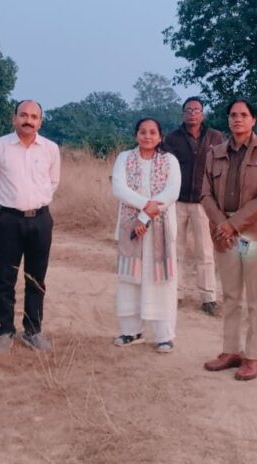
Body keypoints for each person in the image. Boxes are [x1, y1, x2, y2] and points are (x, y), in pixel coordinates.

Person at [200, 99, 257, 381]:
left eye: (243, 115)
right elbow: (205, 193)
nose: (238, 119)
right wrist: (222, 225)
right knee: (231, 295)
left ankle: (254, 356)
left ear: (253, 120)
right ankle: (231, 351)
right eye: (233, 115)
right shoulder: (215, 152)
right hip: (225, 233)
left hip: (253, 234)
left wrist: (234, 224)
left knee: (256, 297)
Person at [0, 100, 61, 352]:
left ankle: (32, 331)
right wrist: (4, 210)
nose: (28, 120)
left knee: (36, 278)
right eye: (24, 115)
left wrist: (36, 204)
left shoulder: (50, 149)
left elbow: (53, 182)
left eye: (34, 117)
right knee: (6, 277)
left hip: (40, 220)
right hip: (8, 220)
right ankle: (5, 331)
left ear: (40, 121)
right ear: (14, 118)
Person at [111, 118, 182, 352]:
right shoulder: (124, 158)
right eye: (143, 132)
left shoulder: (169, 160)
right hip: (131, 230)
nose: (147, 136)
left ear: (160, 137)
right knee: (130, 281)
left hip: (159, 230)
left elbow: (172, 192)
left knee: (161, 281)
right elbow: (118, 188)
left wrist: (144, 218)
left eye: (152, 132)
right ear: (136, 135)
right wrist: (145, 208)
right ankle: (131, 332)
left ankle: (164, 336)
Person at [164, 97, 224, 316]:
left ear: (202, 114)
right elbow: (165, 169)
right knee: (174, 249)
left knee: (205, 252)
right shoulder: (172, 138)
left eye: (196, 110)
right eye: (188, 110)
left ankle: (208, 298)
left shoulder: (215, 137)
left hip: (203, 202)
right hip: (177, 201)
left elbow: (221, 167)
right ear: (183, 114)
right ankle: (175, 293)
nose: (192, 113)